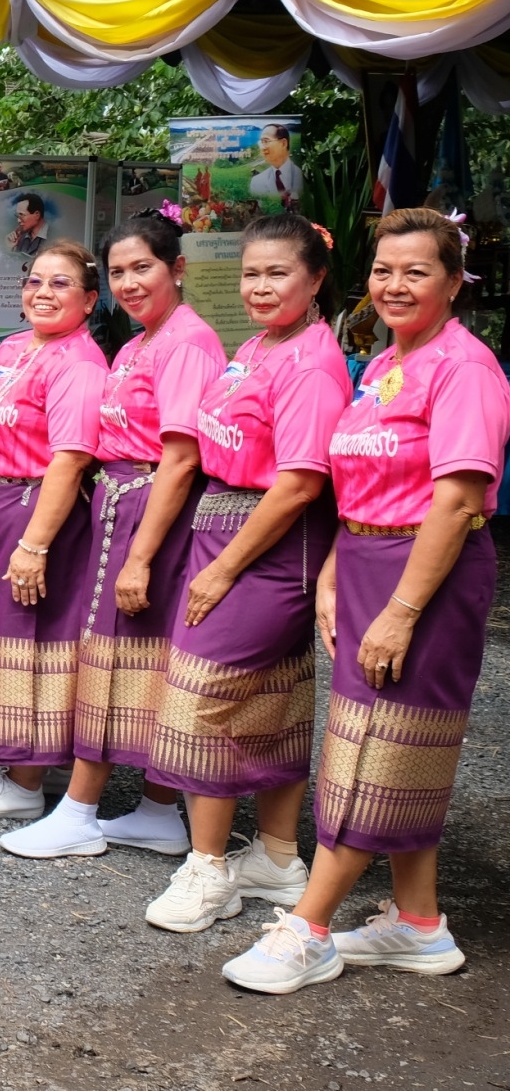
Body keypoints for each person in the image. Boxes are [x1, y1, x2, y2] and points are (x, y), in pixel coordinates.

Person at [224, 209, 510, 994]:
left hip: (428, 574)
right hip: (367, 560)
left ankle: (307, 928)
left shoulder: (466, 365)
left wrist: (401, 610)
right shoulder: (385, 363)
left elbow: (454, 502)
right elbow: (361, 484)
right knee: (384, 744)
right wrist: (335, 569)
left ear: (455, 283)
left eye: (417, 271)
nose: (395, 285)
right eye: (385, 270)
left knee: (377, 751)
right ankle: (419, 923)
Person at [143, 214, 347, 932]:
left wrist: (222, 569)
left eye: (277, 273)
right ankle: (279, 856)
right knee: (274, 697)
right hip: (228, 525)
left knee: (203, 701)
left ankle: (207, 869)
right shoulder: (259, 346)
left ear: (316, 279)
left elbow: (298, 483)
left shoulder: (312, 362)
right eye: (250, 274)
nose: (259, 287)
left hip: (268, 543)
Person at [0, 212, 225, 860]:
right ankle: (156, 808)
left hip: (152, 506)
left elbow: (180, 457)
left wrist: (142, 556)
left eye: (142, 268)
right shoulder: (138, 343)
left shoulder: (186, 342)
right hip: (123, 502)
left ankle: (80, 808)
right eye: (120, 270)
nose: (130, 282)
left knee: (119, 656)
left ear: (177, 269)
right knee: (134, 658)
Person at [0, 241, 107, 822]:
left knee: (33, 638)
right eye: (35, 281)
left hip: (35, 506)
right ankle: (21, 761)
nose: (43, 293)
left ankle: (24, 778)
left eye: (61, 284)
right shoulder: (13, 347)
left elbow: (69, 458)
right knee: (1, 636)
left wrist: (34, 544)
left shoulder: (80, 362)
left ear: (89, 300)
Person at [248, 123, 301, 203]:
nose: (262, 148)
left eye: (266, 141)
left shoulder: (300, 176)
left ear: (283, 143)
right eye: (261, 142)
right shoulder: (257, 182)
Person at [9, 192, 47, 258]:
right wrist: (11, 248)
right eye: (17, 216)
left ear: (37, 215)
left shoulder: (54, 237)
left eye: (22, 215)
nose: (18, 220)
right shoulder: (20, 239)